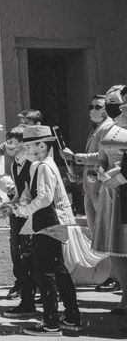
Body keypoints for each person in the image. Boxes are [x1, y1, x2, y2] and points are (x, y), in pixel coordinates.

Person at [13, 125, 81, 336]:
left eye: (28, 146)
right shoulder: (46, 164)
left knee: (45, 273)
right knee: (59, 270)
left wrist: (24, 209)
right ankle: (72, 316)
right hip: (54, 222)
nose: (25, 150)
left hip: (47, 223)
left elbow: (44, 198)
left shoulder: (42, 166)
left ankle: (51, 323)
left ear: (41, 145)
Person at [61, 94, 116, 292]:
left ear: (107, 108)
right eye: (91, 106)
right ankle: (111, 274)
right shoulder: (96, 130)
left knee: (108, 234)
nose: (93, 109)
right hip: (91, 190)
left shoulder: (109, 128)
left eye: (98, 106)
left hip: (102, 190)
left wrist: (75, 157)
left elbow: (102, 156)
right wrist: (76, 173)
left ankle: (115, 276)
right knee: (98, 234)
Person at [0, 124, 34, 303]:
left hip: (34, 215)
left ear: (23, 144)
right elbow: (20, 195)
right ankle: (24, 291)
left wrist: (16, 207)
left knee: (30, 253)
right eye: (7, 142)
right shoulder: (15, 165)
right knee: (19, 249)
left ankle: (36, 294)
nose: (7, 147)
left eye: (11, 143)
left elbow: (34, 194)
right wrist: (6, 206)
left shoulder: (33, 163)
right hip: (20, 211)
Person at [92, 85, 127, 313]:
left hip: (121, 188)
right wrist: (102, 170)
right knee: (114, 249)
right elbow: (102, 156)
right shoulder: (106, 130)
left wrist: (120, 176)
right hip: (112, 193)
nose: (118, 109)